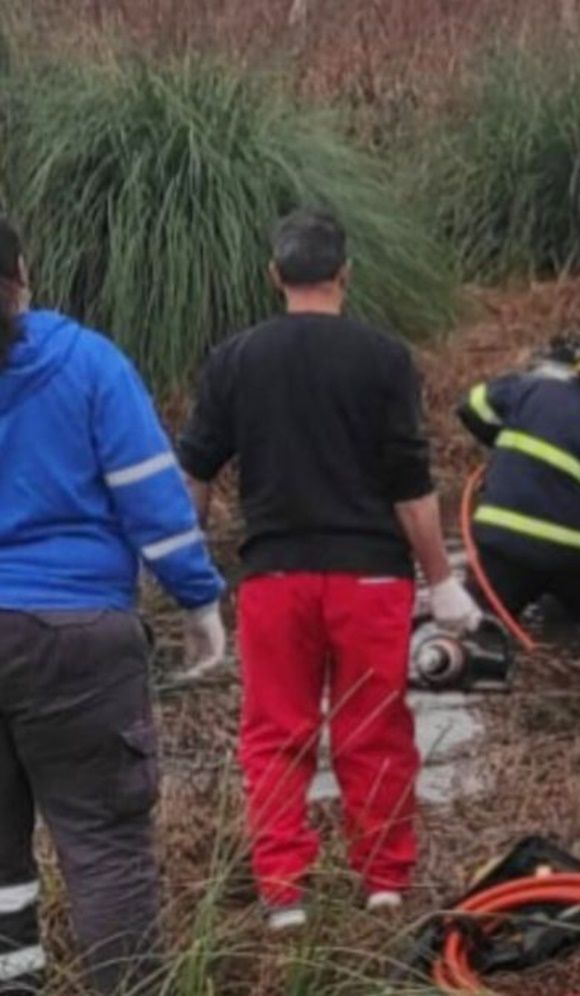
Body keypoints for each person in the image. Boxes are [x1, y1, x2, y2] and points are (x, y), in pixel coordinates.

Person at [178, 209, 478, 931]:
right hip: (371, 579)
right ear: (345, 274)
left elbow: (191, 476)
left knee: (275, 734)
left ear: (275, 275)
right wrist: (441, 579)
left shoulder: (234, 359)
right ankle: (383, 882)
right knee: (374, 729)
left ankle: (285, 893)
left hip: (274, 579)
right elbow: (410, 484)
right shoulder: (383, 358)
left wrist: (191, 581)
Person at [0, 217, 226, 994]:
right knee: (103, 855)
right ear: (22, 271)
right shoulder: (87, 364)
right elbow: (152, 499)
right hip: (77, 639)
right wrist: (199, 602)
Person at [456, 338, 580, 622]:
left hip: (502, 543)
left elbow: (471, 405)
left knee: (476, 623)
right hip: (568, 559)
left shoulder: (533, 388)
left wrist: (503, 446)